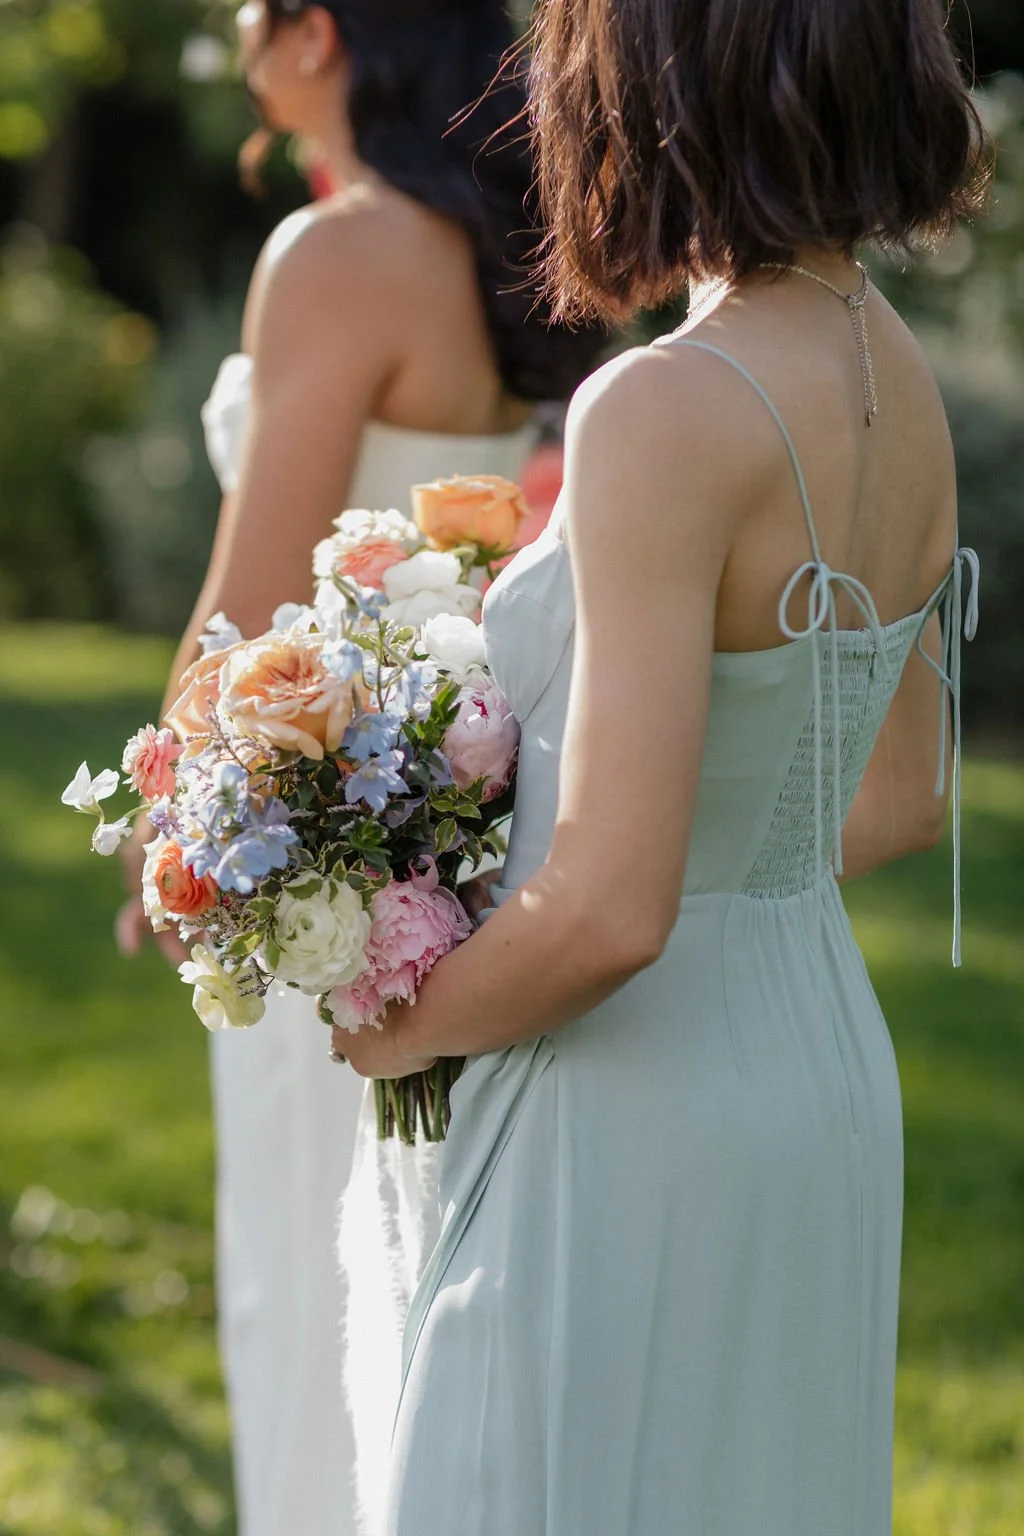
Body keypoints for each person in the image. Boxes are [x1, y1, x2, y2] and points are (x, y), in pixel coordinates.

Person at [335, 1, 990, 1530]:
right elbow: (902, 798)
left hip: (633, 1098)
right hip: (816, 1067)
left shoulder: (664, 403)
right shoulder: (895, 370)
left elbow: (613, 916)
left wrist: (393, 1021)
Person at [116, 3, 601, 1534]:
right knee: (430, 1281)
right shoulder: (521, 239)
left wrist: (171, 822)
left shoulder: (336, 256)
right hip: (461, 832)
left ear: (318, 33)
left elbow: (248, 602)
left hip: (307, 826)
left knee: (307, 1271)